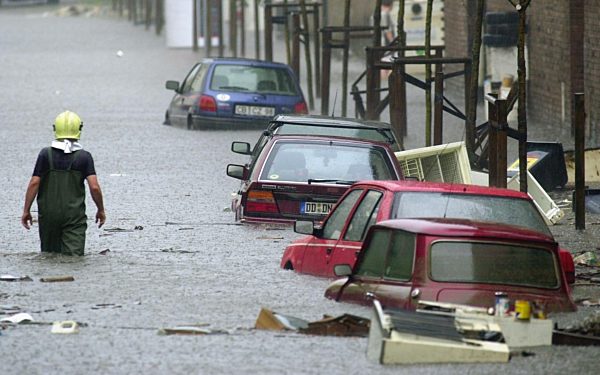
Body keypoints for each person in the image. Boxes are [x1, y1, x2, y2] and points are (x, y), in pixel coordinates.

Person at [21, 111, 106, 256]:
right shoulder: (84, 157)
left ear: (56, 129)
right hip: (74, 217)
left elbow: (34, 183)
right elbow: (94, 187)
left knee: (49, 256)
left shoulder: (45, 154)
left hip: (48, 215)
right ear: (79, 129)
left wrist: (26, 211)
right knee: (74, 258)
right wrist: (101, 209)